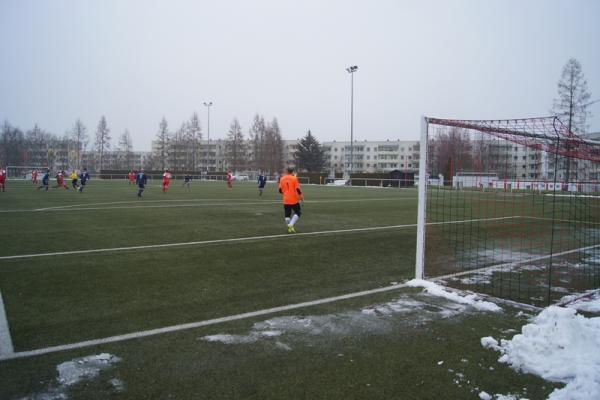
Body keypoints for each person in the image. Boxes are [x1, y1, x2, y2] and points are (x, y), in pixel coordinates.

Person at [278, 167, 304, 233]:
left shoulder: (282, 178)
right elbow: (298, 189)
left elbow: (280, 190)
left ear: (286, 171)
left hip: (286, 199)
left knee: (287, 215)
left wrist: (285, 193)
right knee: (298, 212)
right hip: (294, 199)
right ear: (292, 172)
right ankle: (291, 225)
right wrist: (301, 197)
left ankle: (289, 228)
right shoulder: (294, 178)